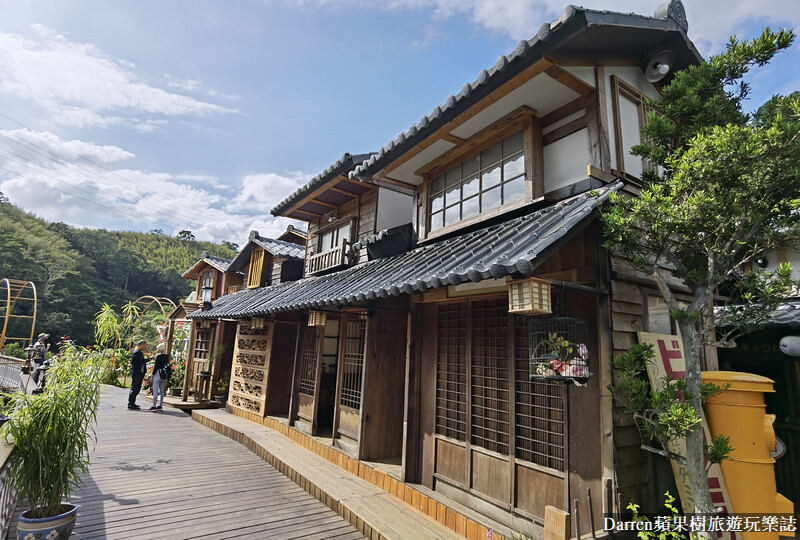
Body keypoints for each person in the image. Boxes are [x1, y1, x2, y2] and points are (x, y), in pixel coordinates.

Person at [128, 340, 148, 410]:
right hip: (137, 373)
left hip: (139, 373)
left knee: (136, 388)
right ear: (141, 345)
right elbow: (140, 361)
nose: (145, 348)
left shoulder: (138, 352)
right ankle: (131, 403)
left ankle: (132, 403)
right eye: (145, 346)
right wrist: (149, 359)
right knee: (135, 388)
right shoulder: (136, 352)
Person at [149, 343, 169, 411]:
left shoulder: (158, 356)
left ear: (160, 349)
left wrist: (152, 375)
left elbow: (156, 367)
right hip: (163, 374)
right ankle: (160, 405)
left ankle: (154, 405)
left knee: (155, 390)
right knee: (162, 391)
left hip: (157, 373)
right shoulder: (166, 356)